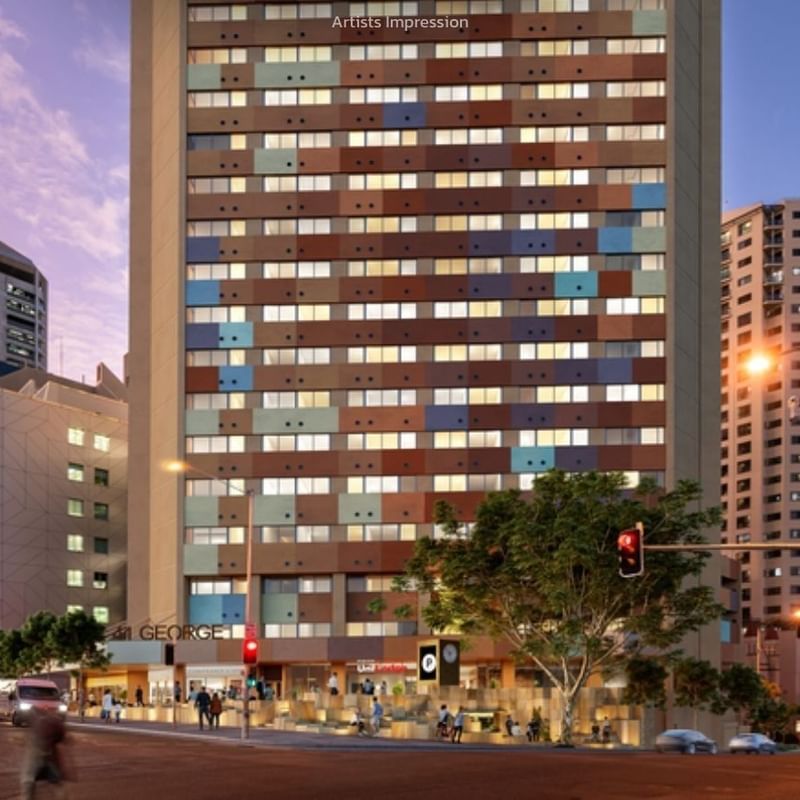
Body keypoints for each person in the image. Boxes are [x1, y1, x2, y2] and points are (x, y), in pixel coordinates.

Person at [20, 709, 73, 800]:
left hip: (35, 758)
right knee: (58, 784)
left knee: (28, 783)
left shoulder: (35, 717)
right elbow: (65, 739)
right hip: (50, 757)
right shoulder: (56, 721)